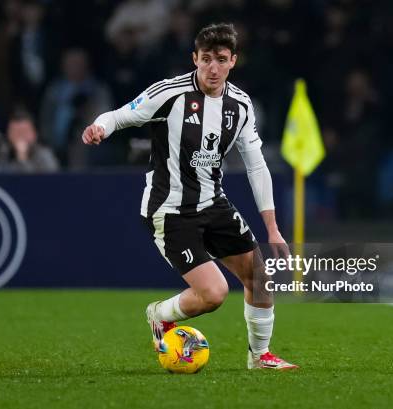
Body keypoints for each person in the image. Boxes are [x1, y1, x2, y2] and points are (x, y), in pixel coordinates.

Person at [82, 23, 297, 370]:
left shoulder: (240, 105)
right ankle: (159, 314)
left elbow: (257, 166)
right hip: (170, 210)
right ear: (194, 58)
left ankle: (260, 357)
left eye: (221, 60)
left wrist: (272, 229)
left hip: (213, 202)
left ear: (233, 61)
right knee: (214, 294)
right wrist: (100, 127)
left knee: (258, 277)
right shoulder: (169, 93)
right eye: (206, 59)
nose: (213, 68)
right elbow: (119, 116)